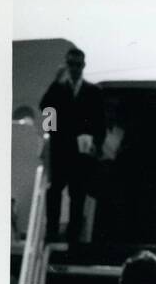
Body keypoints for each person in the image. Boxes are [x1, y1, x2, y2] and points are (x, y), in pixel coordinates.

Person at [40, 47, 106, 244]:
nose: (75, 68)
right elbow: (46, 111)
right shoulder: (58, 89)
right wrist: (50, 137)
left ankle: (73, 237)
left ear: (83, 66)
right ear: (66, 65)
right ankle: (51, 231)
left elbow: (100, 123)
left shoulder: (93, 91)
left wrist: (96, 144)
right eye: (71, 64)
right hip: (61, 150)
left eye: (78, 65)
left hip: (81, 153)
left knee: (77, 195)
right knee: (55, 191)